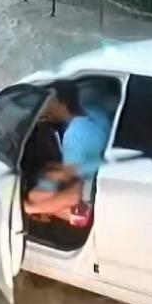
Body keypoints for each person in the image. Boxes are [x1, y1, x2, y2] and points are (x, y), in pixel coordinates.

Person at [25, 81, 110, 224]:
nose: (45, 108)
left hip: (92, 190)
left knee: (35, 196)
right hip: (100, 166)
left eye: (49, 103)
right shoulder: (94, 111)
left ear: (61, 103)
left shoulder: (73, 136)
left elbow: (74, 191)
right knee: (49, 174)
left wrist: (30, 208)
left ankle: (82, 217)